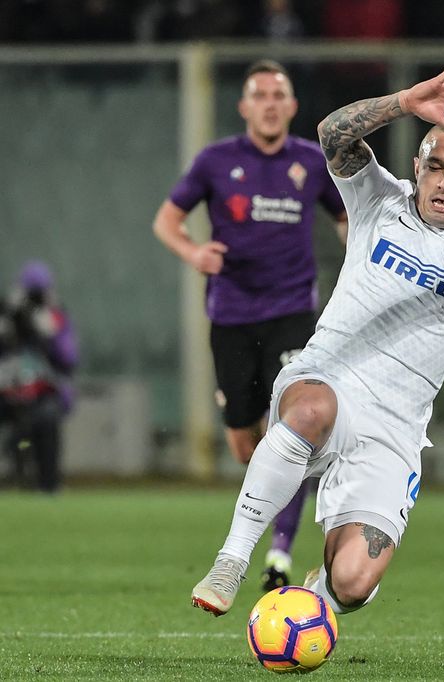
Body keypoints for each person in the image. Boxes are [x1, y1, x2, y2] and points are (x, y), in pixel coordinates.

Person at [190, 61, 444, 620]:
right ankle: (232, 558)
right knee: (310, 408)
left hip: (394, 429)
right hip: (329, 380)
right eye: (435, 166)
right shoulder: (379, 200)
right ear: (416, 167)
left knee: (352, 583)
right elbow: (331, 134)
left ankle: (310, 602)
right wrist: (403, 102)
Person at [153, 59, 348, 591]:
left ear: (291, 106)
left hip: (291, 316)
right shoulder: (217, 161)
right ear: (244, 107)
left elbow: (346, 217)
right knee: (245, 444)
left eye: (277, 93)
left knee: (291, 432)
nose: (268, 102)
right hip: (232, 317)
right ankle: (261, 483)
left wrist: (361, 264)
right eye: (258, 94)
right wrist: (194, 252)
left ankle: (278, 555)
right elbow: (166, 221)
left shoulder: (311, 160)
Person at [0, 261, 79, 492]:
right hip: (5, 389)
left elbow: (69, 358)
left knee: (47, 417)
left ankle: (49, 483)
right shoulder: (6, 312)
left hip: (41, 391)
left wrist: (49, 335)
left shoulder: (55, 316)